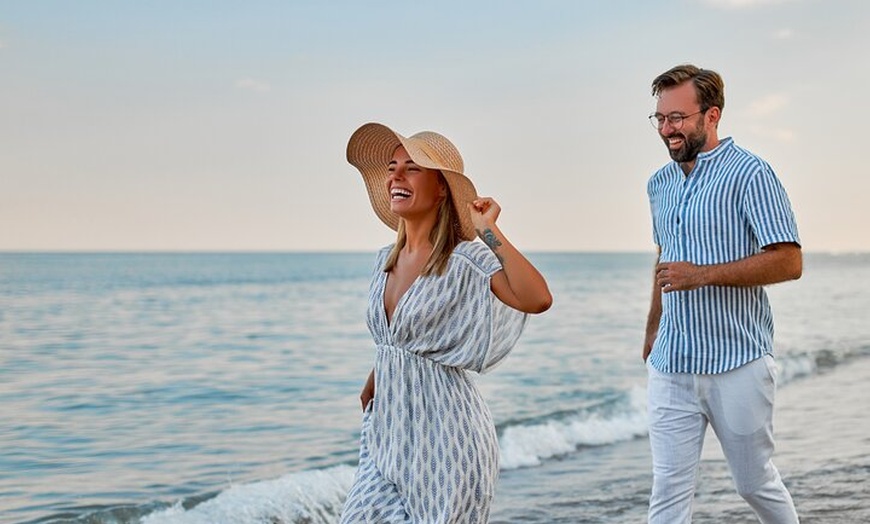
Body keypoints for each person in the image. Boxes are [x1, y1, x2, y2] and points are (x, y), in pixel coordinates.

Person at [339, 122, 552, 523]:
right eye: (392, 167)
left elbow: (537, 298)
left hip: (448, 439)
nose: (396, 176)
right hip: (388, 434)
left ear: (441, 188)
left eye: (412, 167)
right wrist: (377, 376)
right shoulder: (384, 260)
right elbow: (400, 339)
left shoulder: (464, 260)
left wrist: (489, 231)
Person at [642, 64, 802, 523]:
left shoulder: (751, 174)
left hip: (738, 362)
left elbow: (789, 260)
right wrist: (653, 328)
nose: (667, 129)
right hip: (672, 362)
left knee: (754, 483)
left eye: (677, 118)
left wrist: (704, 275)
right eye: (660, 118)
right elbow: (664, 257)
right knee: (667, 492)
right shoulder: (659, 184)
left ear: (711, 116)